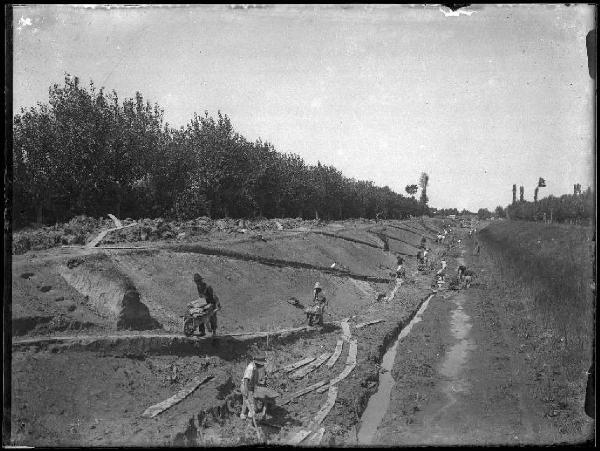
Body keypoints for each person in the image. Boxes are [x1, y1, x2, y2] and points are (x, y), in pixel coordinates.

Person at [240, 354, 266, 420]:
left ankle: (243, 415)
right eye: (261, 364)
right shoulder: (250, 368)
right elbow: (246, 379)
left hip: (250, 386)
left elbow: (254, 379)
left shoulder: (255, 367)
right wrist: (246, 391)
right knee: (250, 404)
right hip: (245, 386)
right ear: (257, 363)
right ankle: (251, 418)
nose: (262, 365)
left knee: (245, 402)